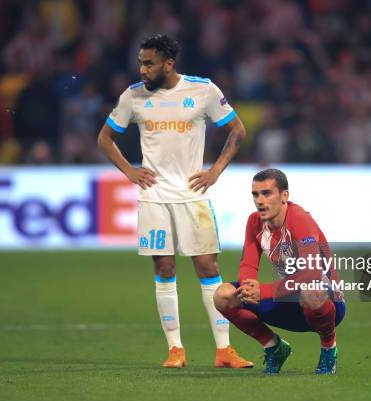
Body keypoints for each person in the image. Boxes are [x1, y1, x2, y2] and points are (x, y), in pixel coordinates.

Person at [97, 34, 252, 369]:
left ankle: (224, 351)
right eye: (140, 62)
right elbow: (105, 139)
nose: (142, 69)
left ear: (169, 63)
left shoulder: (203, 90)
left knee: (208, 268)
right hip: (153, 197)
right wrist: (130, 172)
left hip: (192, 196)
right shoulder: (133, 97)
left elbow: (237, 131)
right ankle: (175, 350)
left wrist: (214, 172)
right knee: (163, 268)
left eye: (149, 63)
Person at [213, 169, 346, 374]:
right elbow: (248, 264)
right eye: (255, 194)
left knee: (311, 289)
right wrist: (248, 287)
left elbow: (311, 272)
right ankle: (274, 347)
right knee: (223, 296)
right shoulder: (254, 222)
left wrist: (263, 291)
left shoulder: (300, 219)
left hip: (326, 304)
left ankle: (329, 349)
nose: (260, 200)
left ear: (284, 196)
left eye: (267, 193)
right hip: (286, 301)